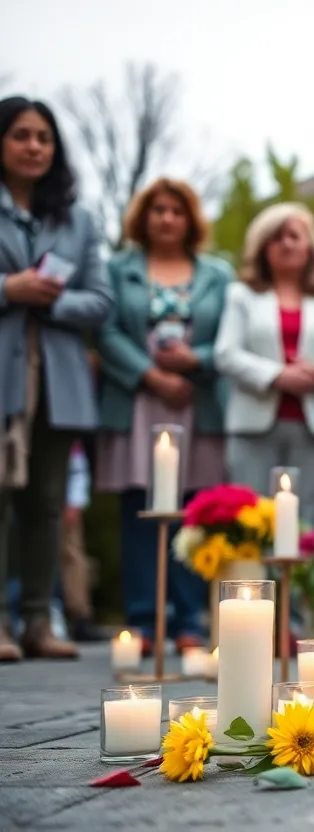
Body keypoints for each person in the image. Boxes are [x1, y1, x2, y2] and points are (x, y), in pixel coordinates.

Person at [95, 177, 232, 652]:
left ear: (190, 218)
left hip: (199, 403)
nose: (167, 218)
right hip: (137, 401)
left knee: (194, 513)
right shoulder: (117, 269)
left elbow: (234, 338)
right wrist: (153, 376)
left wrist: (195, 362)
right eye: (158, 210)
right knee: (140, 510)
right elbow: (106, 331)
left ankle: (189, 622)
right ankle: (144, 623)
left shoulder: (217, 273)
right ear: (143, 218)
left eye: (176, 210)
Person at [0, 96, 113, 661]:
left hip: (58, 380)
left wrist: (53, 301)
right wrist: (8, 290)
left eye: (43, 137)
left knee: (46, 503)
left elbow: (101, 299)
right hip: (4, 372)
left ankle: (39, 623)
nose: (34, 146)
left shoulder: (78, 219)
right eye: (21, 135)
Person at [215, 203, 314, 526]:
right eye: (277, 237)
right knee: (251, 524)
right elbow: (226, 353)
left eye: (295, 236)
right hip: (253, 426)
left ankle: (293, 581)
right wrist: (277, 375)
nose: (287, 244)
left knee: (302, 525)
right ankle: (255, 581)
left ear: (310, 246)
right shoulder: (241, 295)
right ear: (262, 247)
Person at [59, 441, 104, 642]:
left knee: (73, 554)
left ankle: (80, 616)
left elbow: (77, 465)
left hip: (65, 499)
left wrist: (75, 499)